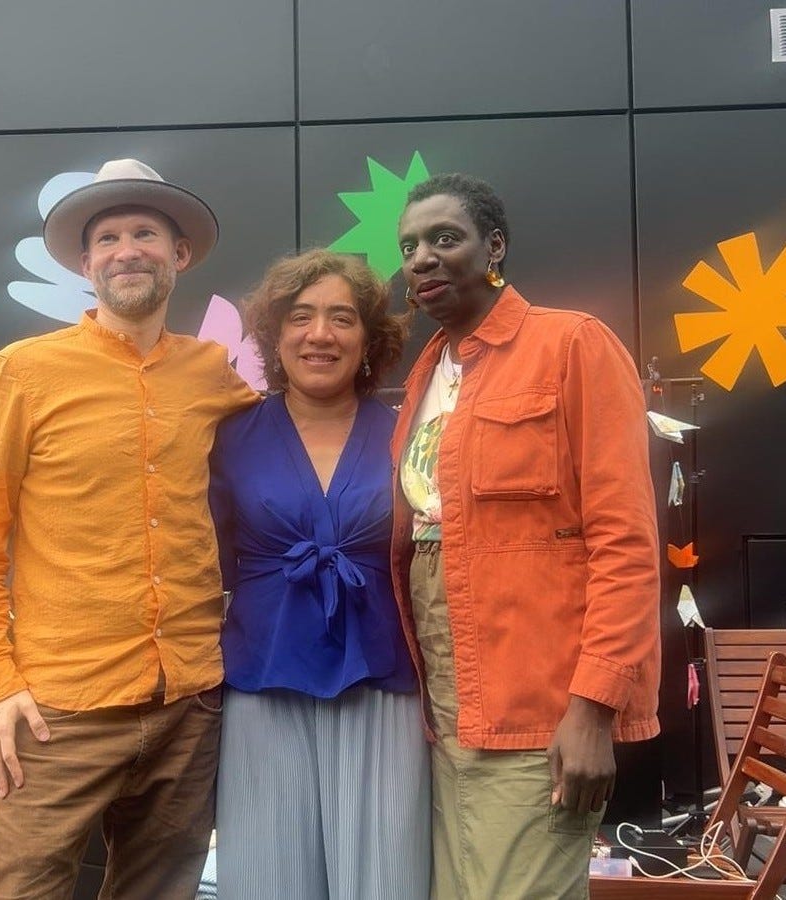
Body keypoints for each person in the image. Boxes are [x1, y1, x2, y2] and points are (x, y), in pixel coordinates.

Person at [0, 158, 259, 899]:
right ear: (85, 264)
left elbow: (291, 452)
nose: (127, 251)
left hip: (188, 704)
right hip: (57, 711)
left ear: (179, 254)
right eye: (108, 238)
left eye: (145, 233)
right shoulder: (24, 371)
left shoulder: (214, 374)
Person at [391, 174, 661, 899]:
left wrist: (593, 709)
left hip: (539, 708)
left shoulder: (572, 344)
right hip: (450, 710)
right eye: (409, 247)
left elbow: (625, 541)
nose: (422, 257)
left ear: (494, 246)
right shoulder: (427, 374)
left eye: (445, 238)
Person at [209, 249, 431, 900]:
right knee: (267, 882)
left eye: (342, 317)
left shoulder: (409, 437)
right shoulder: (228, 437)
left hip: (382, 684)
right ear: (275, 335)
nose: (320, 334)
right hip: (262, 684)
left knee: (386, 881)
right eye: (300, 316)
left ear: (368, 337)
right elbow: (203, 562)